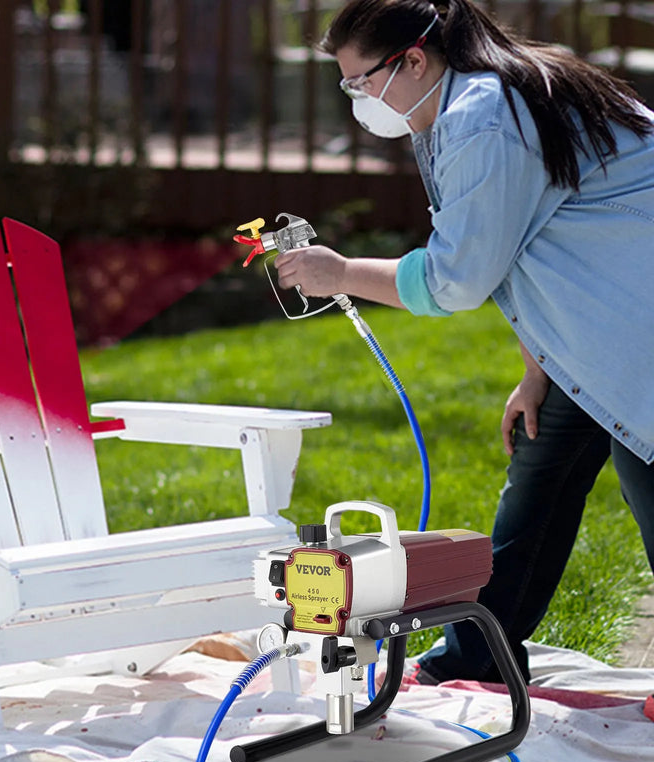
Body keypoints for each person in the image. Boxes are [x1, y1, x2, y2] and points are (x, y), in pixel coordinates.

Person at [274, 0, 654, 684]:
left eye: (362, 81)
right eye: (349, 88)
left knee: (645, 470)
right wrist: (539, 369)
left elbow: (458, 279)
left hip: (635, 317)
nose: (359, 100)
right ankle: (478, 653)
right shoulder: (460, 108)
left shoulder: (481, 116)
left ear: (414, 59)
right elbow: (530, 246)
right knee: (542, 466)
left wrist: (342, 274)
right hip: (600, 320)